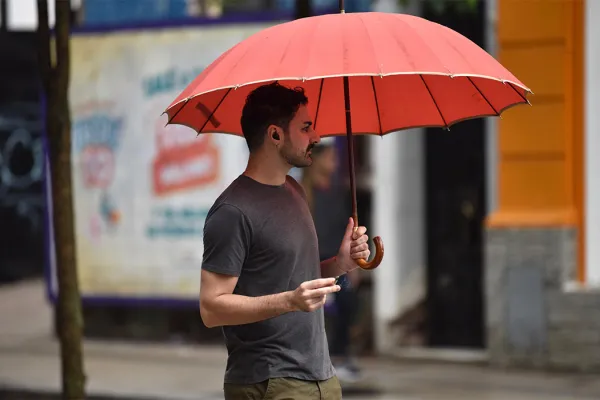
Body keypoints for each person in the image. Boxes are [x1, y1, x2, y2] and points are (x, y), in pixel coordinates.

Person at [199, 82, 372, 399]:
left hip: (320, 376)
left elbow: (295, 280)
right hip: (270, 382)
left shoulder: (294, 192)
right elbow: (212, 308)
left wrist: (340, 263)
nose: (316, 137)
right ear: (275, 135)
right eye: (306, 128)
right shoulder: (233, 211)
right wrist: (289, 301)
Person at [300, 140, 364, 384]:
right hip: (313, 261)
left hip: (338, 262)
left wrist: (353, 261)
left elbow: (344, 227)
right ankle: (313, 356)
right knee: (311, 308)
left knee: (348, 300)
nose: (334, 163)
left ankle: (340, 353)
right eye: (329, 158)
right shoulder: (304, 193)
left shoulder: (340, 192)